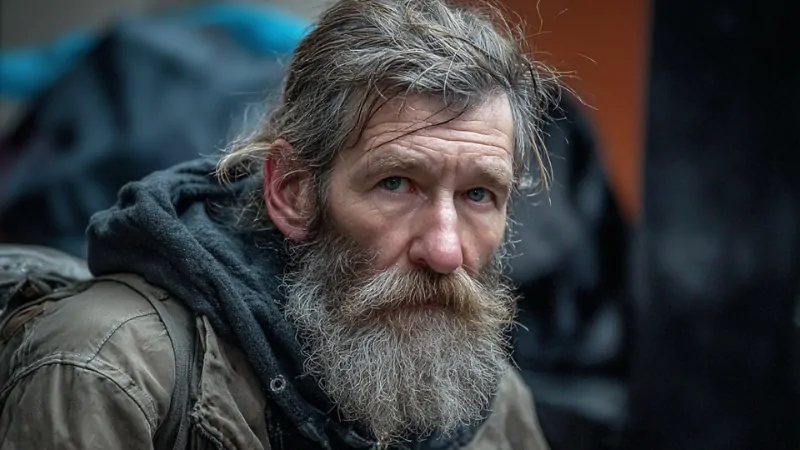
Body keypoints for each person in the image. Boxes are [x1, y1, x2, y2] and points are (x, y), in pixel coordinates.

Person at [0, 0, 558, 448]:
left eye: (479, 195)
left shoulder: (486, 397)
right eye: (396, 183)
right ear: (291, 192)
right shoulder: (113, 370)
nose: (445, 251)